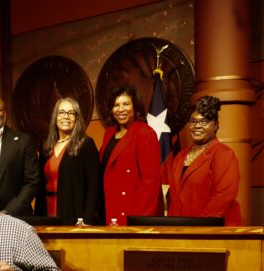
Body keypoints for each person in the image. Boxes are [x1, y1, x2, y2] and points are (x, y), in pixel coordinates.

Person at [164, 95, 241, 225]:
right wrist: (174, 226)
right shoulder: (180, 157)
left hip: (212, 231)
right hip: (183, 230)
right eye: (193, 121)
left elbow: (223, 196)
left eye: (204, 122)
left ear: (216, 125)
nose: (197, 126)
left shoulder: (223, 154)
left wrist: (200, 225)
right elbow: (174, 198)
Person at [98, 86, 162, 225]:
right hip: (109, 207)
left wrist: (139, 220)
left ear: (136, 108)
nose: (120, 109)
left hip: (132, 211)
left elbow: (150, 182)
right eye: (116, 105)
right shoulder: (109, 133)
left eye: (126, 104)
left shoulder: (145, 133)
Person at [34, 97, 100, 224]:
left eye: (71, 113)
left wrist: (87, 219)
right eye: (61, 112)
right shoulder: (46, 147)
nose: (66, 116)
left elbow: (94, 186)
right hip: (47, 213)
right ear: (55, 117)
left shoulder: (86, 144)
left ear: (77, 118)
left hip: (74, 214)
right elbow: (40, 185)